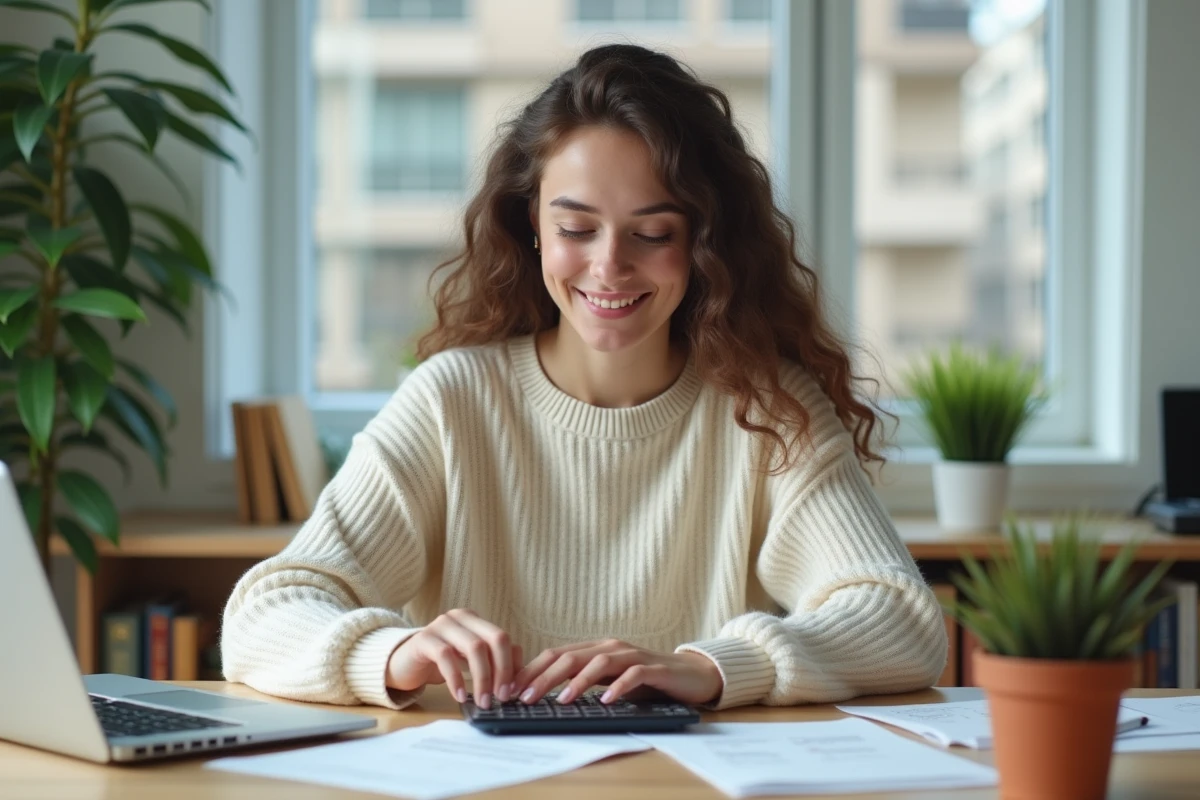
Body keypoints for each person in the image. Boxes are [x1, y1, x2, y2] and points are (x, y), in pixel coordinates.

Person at [221, 44, 947, 713]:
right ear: (531, 222)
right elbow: (264, 616)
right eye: (576, 229)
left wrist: (717, 666)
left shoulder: (768, 408)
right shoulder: (452, 399)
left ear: (703, 241)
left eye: (654, 233)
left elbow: (904, 624)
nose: (609, 266)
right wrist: (395, 652)